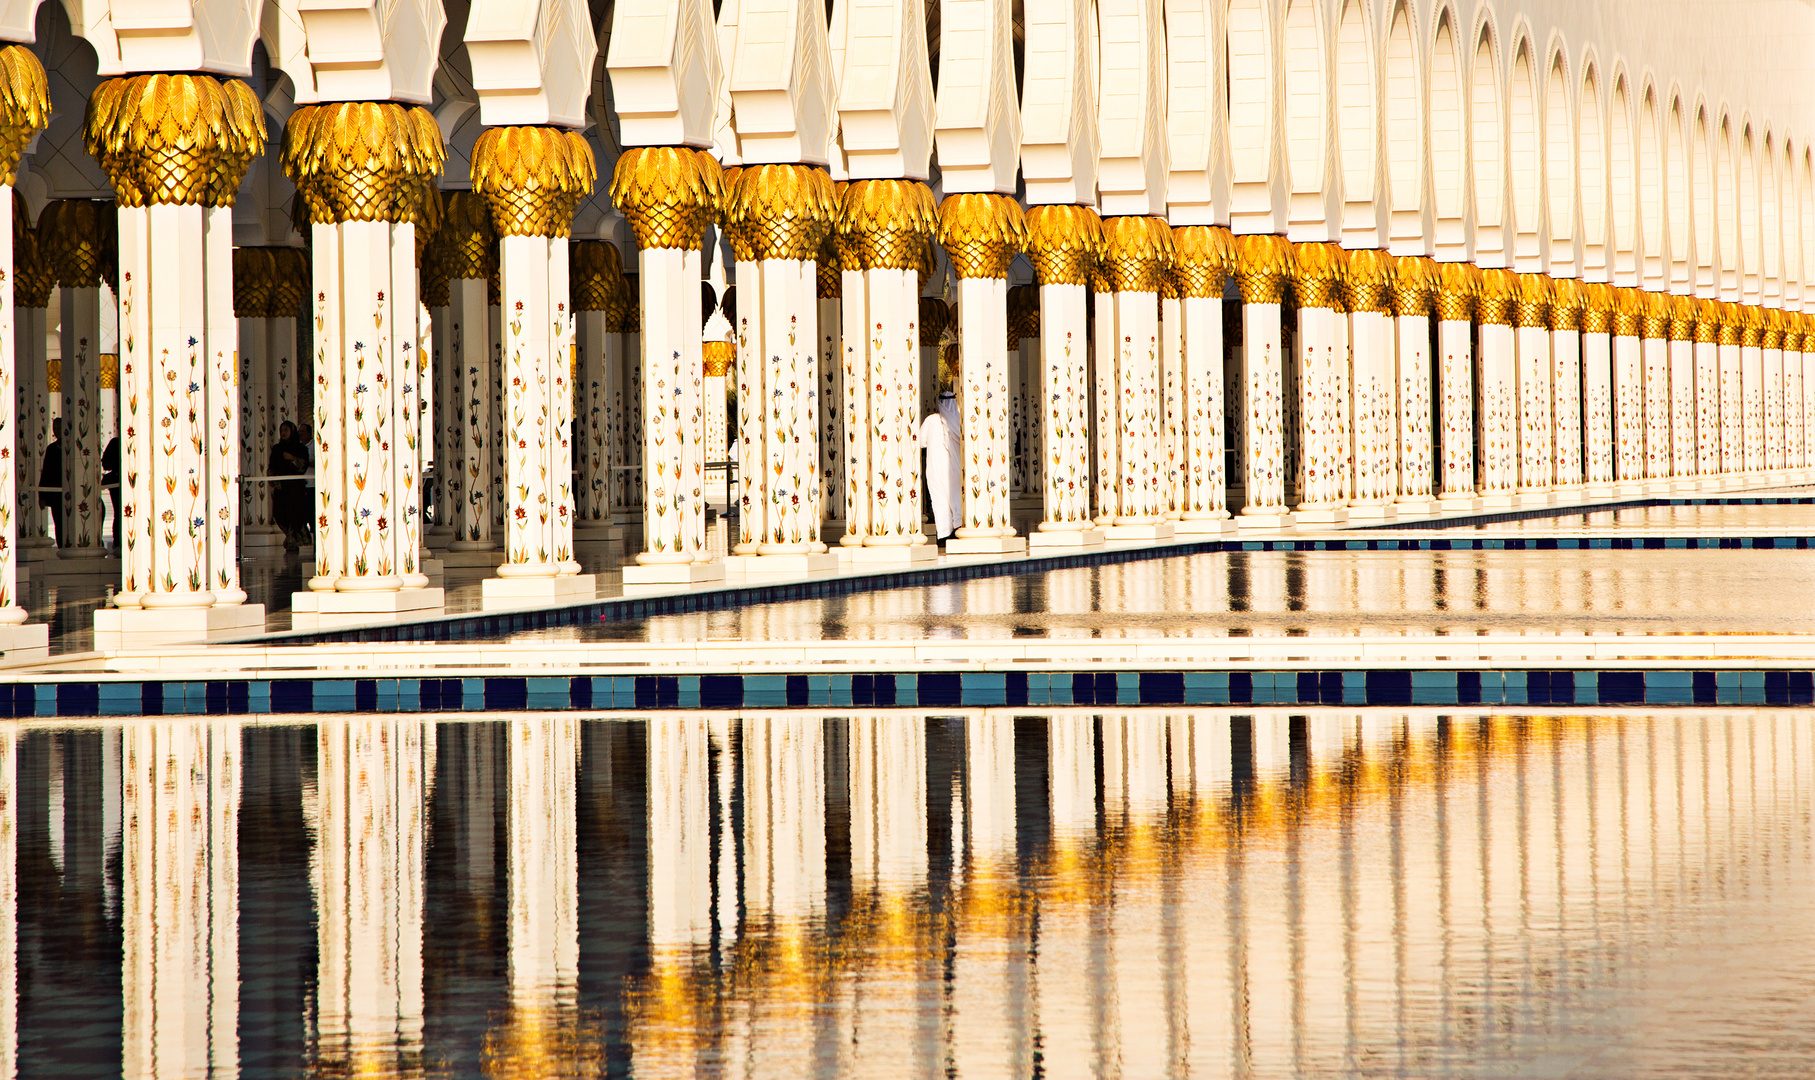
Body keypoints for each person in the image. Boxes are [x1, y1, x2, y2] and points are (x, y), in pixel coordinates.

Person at [918, 390, 962, 543]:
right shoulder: (958, 420)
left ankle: (943, 535)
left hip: (935, 468)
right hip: (954, 469)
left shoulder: (931, 420)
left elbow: (921, 442)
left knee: (940, 500)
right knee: (955, 499)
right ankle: (958, 530)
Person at [269, 421, 311, 552]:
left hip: (295, 489)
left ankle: (293, 541)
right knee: (279, 513)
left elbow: (303, 467)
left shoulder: (301, 449)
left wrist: (292, 458)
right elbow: (271, 467)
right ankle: (291, 538)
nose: (283, 433)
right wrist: (273, 479)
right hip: (281, 489)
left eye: (286, 430)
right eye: (282, 430)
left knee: (294, 514)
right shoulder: (277, 448)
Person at [38, 417, 62, 546]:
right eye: (55, 428)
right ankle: (62, 546)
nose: (57, 431)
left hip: (68, 493)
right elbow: (46, 472)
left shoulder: (72, 448)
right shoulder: (51, 449)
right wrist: (42, 496)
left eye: (59, 428)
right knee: (59, 522)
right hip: (56, 495)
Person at [100, 435, 119, 551]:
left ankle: (118, 543)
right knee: (119, 512)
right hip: (116, 482)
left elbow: (105, 462)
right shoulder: (116, 442)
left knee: (118, 513)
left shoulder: (115, 442)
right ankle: (118, 542)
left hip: (115, 481)